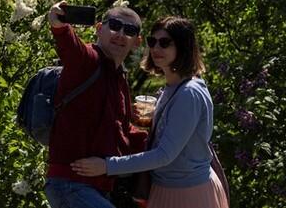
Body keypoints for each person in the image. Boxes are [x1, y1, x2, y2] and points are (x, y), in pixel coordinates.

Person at [70, 17, 229, 208]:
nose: (156, 48)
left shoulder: (189, 93)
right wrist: (155, 122)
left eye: (164, 43)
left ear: (183, 46)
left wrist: (107, 166)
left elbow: (164, 155)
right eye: (152, 41)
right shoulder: (173, 87)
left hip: (189, 193)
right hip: (166, 189)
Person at [45, 1, 149, 208]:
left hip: (98, 188)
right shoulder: (88, 60)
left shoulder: (120, 79)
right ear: (99, 29)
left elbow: (123, 132)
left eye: (129, 30)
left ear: (137, 42)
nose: (120, 34)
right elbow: (71, 48)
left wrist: (162, 135)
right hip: (70, 184)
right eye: (114, 26)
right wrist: (59, 26)